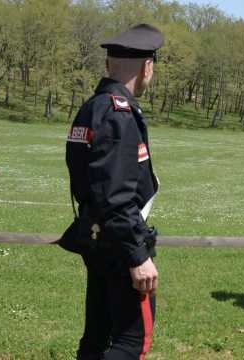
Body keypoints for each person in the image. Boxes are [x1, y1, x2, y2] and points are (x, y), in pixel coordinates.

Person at [59, 24, 164, 359]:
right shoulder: (119, 113)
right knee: (132, 343)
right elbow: (116, 194)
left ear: (108, 66)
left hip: (96, 237)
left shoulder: (93, 106)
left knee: (97, 337)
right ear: (148, 66)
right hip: (119, 245)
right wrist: (137, 254)